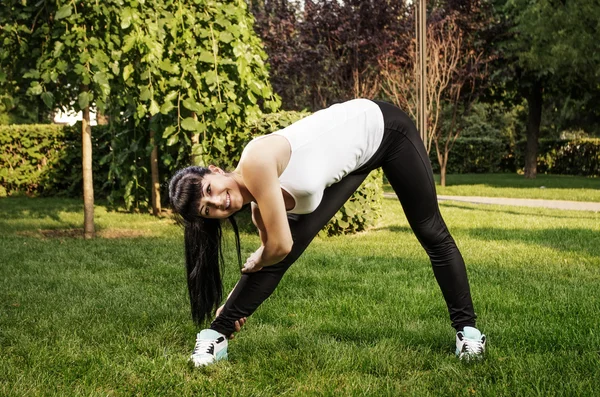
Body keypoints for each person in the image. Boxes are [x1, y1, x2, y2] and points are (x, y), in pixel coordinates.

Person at [168, 99, 486, 367]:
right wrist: (234, 299)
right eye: (207, 209)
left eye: (210, 190)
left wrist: (260, 256)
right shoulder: (258, 208)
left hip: (385, 130)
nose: (217, 202)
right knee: (277, 254)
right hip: (353, 161)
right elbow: (274, 254)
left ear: (215, 170)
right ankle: (216, 335)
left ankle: (468, 333)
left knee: (431, 231)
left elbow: (278, 246)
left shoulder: (258, 162)